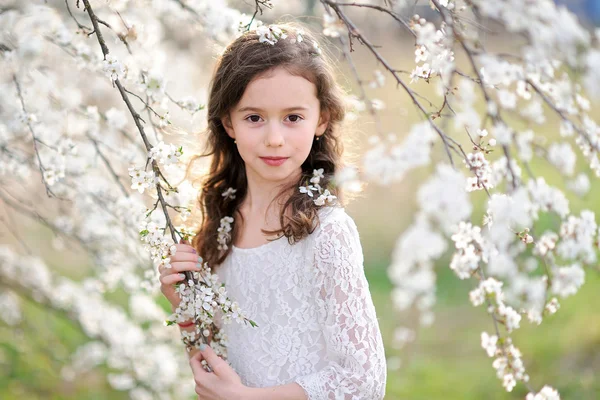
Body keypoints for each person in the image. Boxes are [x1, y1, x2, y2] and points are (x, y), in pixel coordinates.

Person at [158, 21, 387, 400]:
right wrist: (184, 306)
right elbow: (214, 374)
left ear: (322, 119)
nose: (275, 138)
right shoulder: (221, 226)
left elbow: (363, 382)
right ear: (228, 122)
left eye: (293, 117)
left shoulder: (326, 233)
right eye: (254, 118)